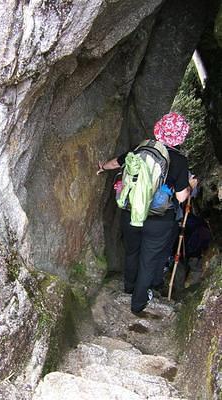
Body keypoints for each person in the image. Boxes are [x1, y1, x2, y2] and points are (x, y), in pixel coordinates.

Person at [97, 112, 198, 314]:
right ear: (181, 137)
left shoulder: (143, 148)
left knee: (132, 251)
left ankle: (129, 288)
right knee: (149, 259)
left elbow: (118, 162)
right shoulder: (179, 160)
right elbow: (180, 197)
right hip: (159, 219)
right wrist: (191, 185)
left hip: (131, 212)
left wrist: (102, 167)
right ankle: (138, 303)